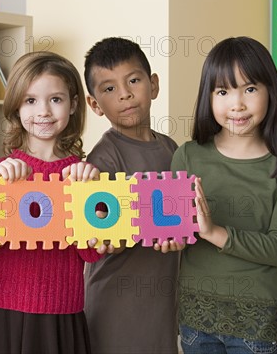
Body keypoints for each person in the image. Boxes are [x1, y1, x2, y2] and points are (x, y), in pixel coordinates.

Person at [171, 36, 277, 353]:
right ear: (209, 97)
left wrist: (214, 232)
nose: (237, 104)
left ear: (270, 91)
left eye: (249, 88)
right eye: (223, 91)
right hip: (196, 318)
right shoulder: (187, 156)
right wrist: (170, 236)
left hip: (256, 323)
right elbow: (175, 230)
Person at [0, 51, 111, 354]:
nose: (43, 111)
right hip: (3, 312)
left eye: (56, 99)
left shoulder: (84, 176)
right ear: (16, 107)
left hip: (62, 314)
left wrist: (90, 193)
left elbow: (91, 252)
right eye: (31, 100)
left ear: (74, 104)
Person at [81, 37, 181, 354]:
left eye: (133, 81)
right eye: (109, 89)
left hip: (161, 300)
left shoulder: (171, 148)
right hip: (115, 299)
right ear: (94, 104)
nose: (124, 94)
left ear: (153, 85)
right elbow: (100, 236)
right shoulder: (102, 159)